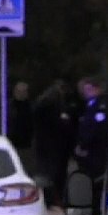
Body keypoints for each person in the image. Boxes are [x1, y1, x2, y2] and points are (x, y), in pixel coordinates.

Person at [74, 76, 108, 215]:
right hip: (91, 154)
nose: (85, 92)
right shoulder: (91, 106)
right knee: (94, 186)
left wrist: (84, 145)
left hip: (97, 154)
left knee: (98, 187)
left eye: (88, 89)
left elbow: (97, 131)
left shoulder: (100, 107)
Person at [33, 79, 75, 207]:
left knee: (46, 172)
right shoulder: (53, 105)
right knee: (53, 172)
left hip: (45, 143)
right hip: (54, 144)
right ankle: (52, 198)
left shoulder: (42, 104)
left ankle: (48, 198)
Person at [7, 81, 35, 180]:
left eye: (24, 91)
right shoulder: (9, 107)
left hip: (26, 145)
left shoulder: (31, 107)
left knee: (26, 169)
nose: (21, 94)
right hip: (12, 143)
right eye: (19, 91)